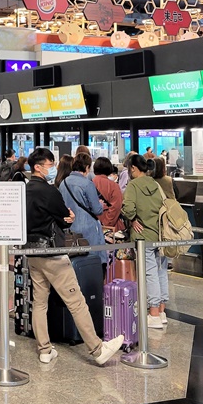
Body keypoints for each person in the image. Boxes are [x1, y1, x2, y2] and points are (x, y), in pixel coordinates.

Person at [24, 148, 124, 365]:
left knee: (39, 302)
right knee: (76, 301)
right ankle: (97, 350)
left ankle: (44, 349)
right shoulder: (49, 191)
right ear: (38, 167)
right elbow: (64, 217)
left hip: (32, 252)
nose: (52, 168)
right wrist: (67, 217)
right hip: (53, 253)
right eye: (49, 164)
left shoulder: (25, 190)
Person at [122, 155, 168, 330]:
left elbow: (128, 208)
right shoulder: (155, 184)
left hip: (143, 236)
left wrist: (133, 219)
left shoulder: (133, 185)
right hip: (160, 235)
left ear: (133, 168)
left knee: (149, 273)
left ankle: (154, 313)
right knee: (161, 271)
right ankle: (162, 312)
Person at [58, 152, 104, 247]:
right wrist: (101, 204)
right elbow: (97, 210)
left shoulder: (63, 183)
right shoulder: (87, 184)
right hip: (87, 228)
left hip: (70, 228)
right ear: (87, 167)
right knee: (91, 259)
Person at [92, 157, 124, 236]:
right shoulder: (114, 186)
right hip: (112, 228)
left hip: (93, 226)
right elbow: (116, 207)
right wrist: (106, 224)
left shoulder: (88, 184)